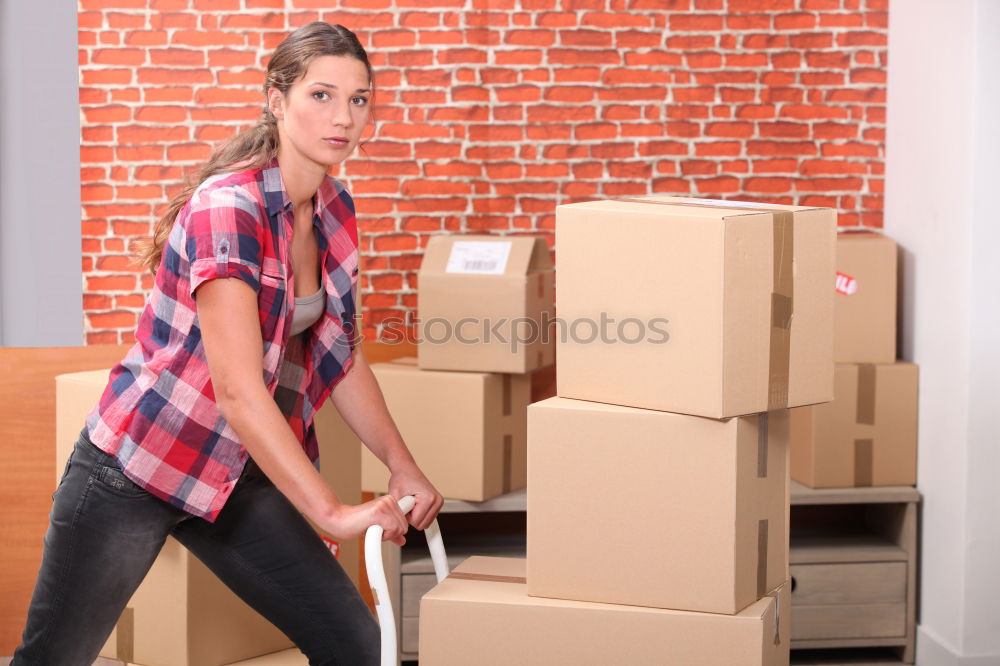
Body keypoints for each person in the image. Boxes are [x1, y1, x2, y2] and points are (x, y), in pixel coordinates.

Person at [11, 21, 443, 666]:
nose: (344, 117)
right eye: (321, 95)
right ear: (277, 100)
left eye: (358, 99)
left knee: (357, 645)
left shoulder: (333, 208)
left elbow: (338, 352)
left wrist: (400, 463)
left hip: (236, 470)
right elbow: (239, 391)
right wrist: (331, 512)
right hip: (141, 465)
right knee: (53, 659)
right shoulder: (229, 209)